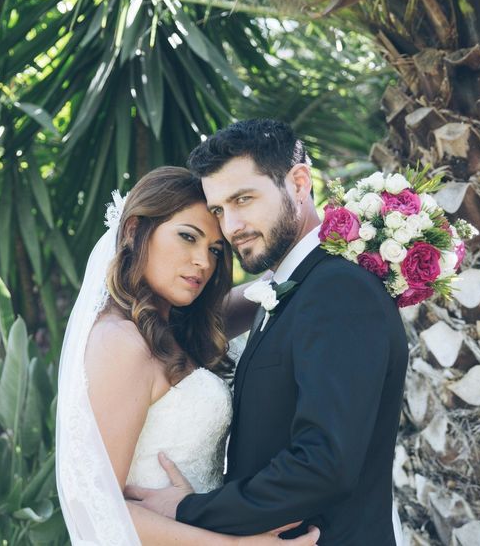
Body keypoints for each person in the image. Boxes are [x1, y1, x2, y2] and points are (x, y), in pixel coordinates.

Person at [126, 120, 409, 545]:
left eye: (243, 199)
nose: (231, 226)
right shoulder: (287, 289)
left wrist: (189, 511)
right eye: (220, 210)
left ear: (298, 182)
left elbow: (323, 464)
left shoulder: (338, 288)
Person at [55, 166, 320, 545]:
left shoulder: (178, 331)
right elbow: (96, 506)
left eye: (214, 250)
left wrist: (351, 237)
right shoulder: (120, 342)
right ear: (133, 230)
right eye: (187, 237)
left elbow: (275, 284)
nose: (204, 262)